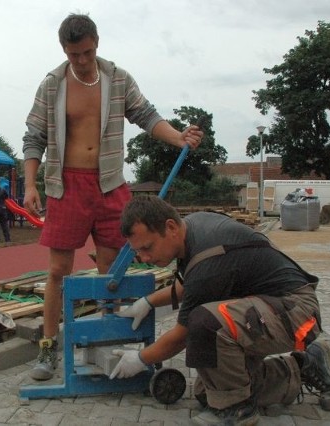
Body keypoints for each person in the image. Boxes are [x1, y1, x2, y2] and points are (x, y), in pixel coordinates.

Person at [21, 13, 203, 381]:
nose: (82, 61)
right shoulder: (53, 85)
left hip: (108, 185)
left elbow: (146, 115)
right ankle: (48, 347)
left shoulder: (117, 78)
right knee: (58, 271)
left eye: (87, 52)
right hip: (65, 186)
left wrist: (178, 137)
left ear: (97, 43)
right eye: (74, 55)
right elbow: (33, 136)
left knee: (111, 270)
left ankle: (108, 341)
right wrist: (28, 185)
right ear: (64, 51)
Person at [110, 195, 330, 425]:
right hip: (269, 308)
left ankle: (238, 410)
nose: (144, 257)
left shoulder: (208, 259)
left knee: (204, 323)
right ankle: (304, 367)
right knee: (210, 393)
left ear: (170, 227)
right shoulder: (194, 228)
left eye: (147, 247)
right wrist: (148, 302)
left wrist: (141, 358)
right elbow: (190, 283)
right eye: (137, 252)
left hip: (297, 313)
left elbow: (182, 335)